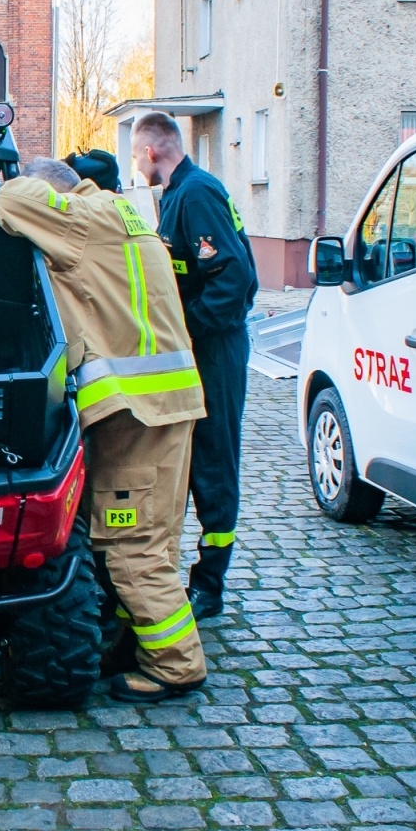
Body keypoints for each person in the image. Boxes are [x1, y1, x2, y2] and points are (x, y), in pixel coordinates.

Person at [0, 157, 209, 703]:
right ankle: (137, 645)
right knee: (154, 538)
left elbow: (8, 201)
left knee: (131, 544)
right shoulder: (122, 213)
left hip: (135, 410)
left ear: (57, 192)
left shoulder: (81, 218)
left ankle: (176, 665)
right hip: (162, 403)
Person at [131, 113, 257, 623]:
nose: (136, 166)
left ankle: (210, 584)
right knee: (188, 460)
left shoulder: (196, 194)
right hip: (197, 348)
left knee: (213, 462)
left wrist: (188, 329)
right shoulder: (177, 194)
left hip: (215, 350)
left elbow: (234, 280)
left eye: (136, 156)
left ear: (151, 152)